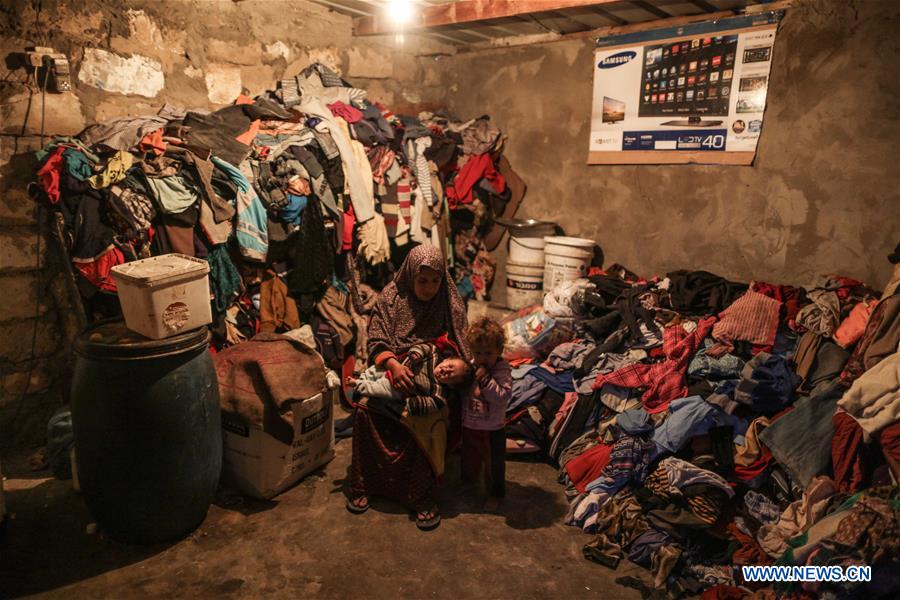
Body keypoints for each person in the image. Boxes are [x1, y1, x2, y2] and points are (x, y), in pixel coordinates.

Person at [347, 244, 470, 530]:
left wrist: (451, 366)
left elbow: (459, 345)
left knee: (427, 414)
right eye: (422, 280)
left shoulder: (447, 301)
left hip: (432, 371)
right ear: (410, 275)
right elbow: (376, 340)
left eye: (435, 281)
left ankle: (421, 495)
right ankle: (365, 484)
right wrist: (392, 364)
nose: (429, 288)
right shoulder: (391, 297)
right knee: (366, 408)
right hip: (392, 367)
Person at [461, 317, 512, 511]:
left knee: (494, 466)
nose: (482, 358)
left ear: (499, 351)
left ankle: (495, 494)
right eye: (478, 353)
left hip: (493, 429)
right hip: (470, 425)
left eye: (488, 353)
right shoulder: (471, 365)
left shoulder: (501, 370)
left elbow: (502, 396)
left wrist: (486, 380)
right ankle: (469, 485)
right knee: (469, 460)